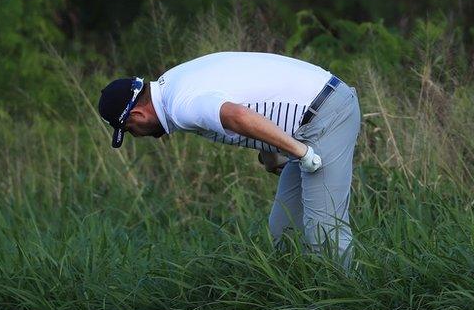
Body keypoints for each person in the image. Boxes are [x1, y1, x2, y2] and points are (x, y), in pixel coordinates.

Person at [98, 51, 361, 269]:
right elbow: (253, 104)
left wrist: (301, 153)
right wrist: (273, 158)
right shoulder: (171, 85)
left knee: (324, 233)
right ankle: (301, 301)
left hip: (326, 114)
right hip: (307, 123)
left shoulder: (181, 105)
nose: (138, 135)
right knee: (284, 228)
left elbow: (238, 116)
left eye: (130, 131)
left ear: (137, 116)